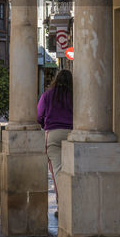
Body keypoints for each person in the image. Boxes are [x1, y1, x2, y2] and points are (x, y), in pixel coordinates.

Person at [37, 70, 74, 201]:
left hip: (53, 134)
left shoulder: (47, 95)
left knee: (57, 170)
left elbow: (39, 115)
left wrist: (45, 125)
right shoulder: (75, 96)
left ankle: (63, 202)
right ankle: (73, 200)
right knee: (73, 169)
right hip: (73, 134)